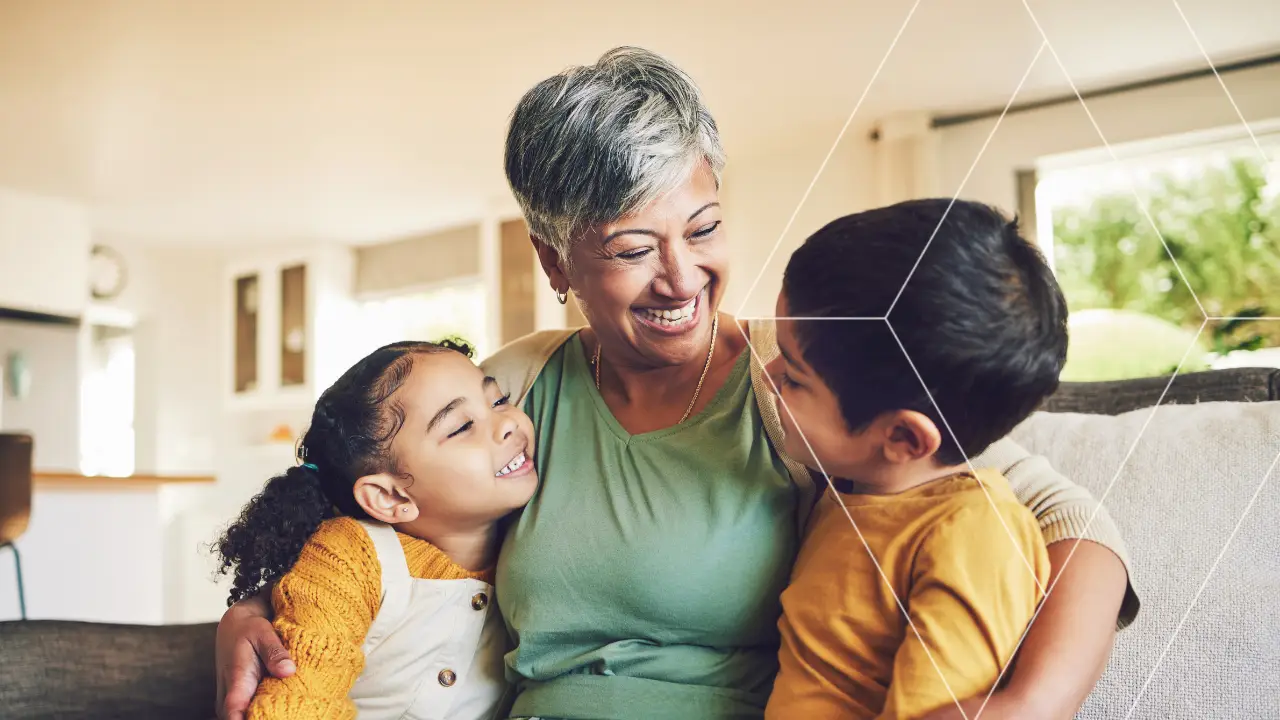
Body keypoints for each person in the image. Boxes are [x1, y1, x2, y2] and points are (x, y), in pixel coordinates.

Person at [216, 47, 1139, 720]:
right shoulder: (514, 391)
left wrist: (1025, 708)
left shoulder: (805, 386)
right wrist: (254, 611)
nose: (682, 279)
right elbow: (374, 511)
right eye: (629, 249)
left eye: (701, 229)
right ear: (555, 260)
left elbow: (1067, 519)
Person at [763, 199, 1066, 718]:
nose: (766, 376)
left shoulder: (971, 537)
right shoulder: (852, 488)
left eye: (793, 377)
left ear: (903, 438)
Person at [213, 339, 538, 720]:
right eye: (463, 426)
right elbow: (299, 702)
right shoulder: (349, 556)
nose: (508, 423)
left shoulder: (532, 543)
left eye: (498, 400)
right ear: (388, 496)